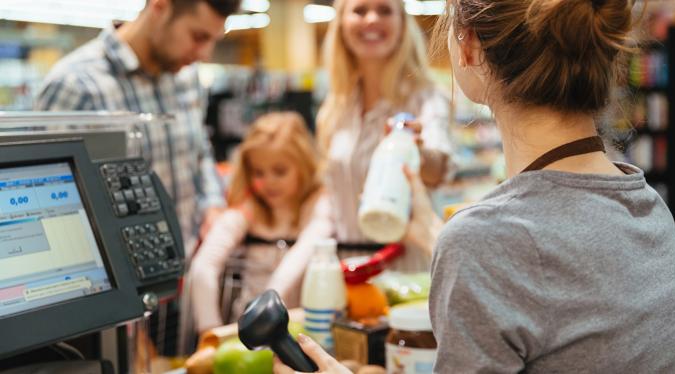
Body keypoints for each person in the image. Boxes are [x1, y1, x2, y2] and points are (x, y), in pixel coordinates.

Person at [274, 0, 675, 372]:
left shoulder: (483, 241)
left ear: (469, 48)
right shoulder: (650, 209)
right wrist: (429, 229)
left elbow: (510, 258)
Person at [267, 0, 456, 304]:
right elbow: (332, 204)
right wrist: (281, 282)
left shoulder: (425, 97)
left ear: (403, 23)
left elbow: (438, 170)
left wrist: (416, 151)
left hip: (406, 270)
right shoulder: (335, 107)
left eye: (384, 10)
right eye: (359, 10)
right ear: (341, 22)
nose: (371, 19)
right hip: (346, 273)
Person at [34, 0, 240, 252]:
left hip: (193, 261)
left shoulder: (186, 76)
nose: (204, 53)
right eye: (198, 36)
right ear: (160, 7)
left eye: (213, 40)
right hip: (126, 273)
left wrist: (212, 204)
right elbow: (44, 199)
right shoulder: (75, 85)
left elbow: (200, 152)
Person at [188, 112, 322, 333]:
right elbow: (204, 265)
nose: (269, 182)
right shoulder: (248, 210)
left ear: (304, 165)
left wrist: (268, 307)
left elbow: (304, 252)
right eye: (258, 172)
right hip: (249, 331)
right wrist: (209, 329)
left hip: (303, 328)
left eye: (280, 171)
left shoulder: (318, 205)